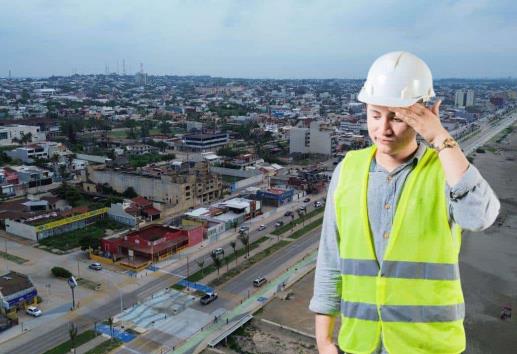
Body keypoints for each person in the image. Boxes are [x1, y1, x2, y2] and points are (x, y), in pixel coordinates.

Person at [309, 51, 500, 354]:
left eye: (396, 117)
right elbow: (330, 259)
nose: (383, 129)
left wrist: (440, 138)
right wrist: (324, 340)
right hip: (360, 343)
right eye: (375, 115)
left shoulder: (446, 171)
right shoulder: (348, 170)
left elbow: (481, 217)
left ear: (421, 114)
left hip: (428, 345)